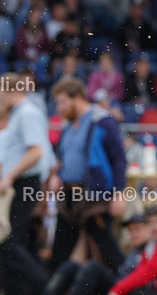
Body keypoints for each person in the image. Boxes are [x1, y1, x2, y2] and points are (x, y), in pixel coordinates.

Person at [49, 76, 127, 272]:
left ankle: (130, 290)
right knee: (60, 248)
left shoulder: (102, 121)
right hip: (70, 194)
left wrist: (119, 193)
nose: (59, 108)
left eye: (63, 102)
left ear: (77, 99)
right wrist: (58, 174)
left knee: (106, 247)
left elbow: (119, 159)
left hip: (94, 195)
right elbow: (64, 156)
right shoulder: (68, 126)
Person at [0, 72, 51, 295]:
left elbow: (36, 151)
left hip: (24, 182)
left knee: (8, 242)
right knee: (15, 241)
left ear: (10, 91)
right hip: (20, 182)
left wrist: (10, 176)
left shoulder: (26, 113)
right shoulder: (21, 113)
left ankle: (46, 286)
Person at [35, 212, 152, 295]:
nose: (133, 233)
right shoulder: (134, 251)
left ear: (148, 230)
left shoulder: (151, 250)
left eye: (137, 229)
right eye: (131, 230)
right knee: (72, 266)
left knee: (93, 267)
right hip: (114, 293)